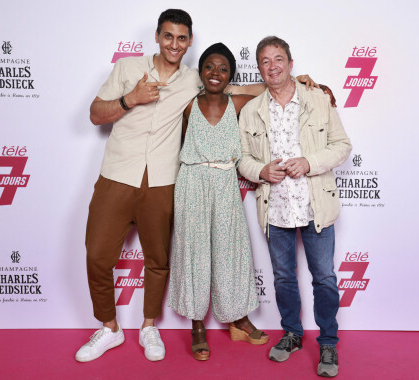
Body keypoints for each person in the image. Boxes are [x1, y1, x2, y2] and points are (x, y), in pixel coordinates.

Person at [77, 9, 318, 363]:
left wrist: (298, 81)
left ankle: (149, 327)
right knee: (99, 255)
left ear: (189, 42)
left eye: (181, 38)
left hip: (165, 181)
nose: (174, 43)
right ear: (158, 36)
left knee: (161, 259)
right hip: (121, 174)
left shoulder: (194, 81)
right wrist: (132, 98)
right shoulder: (129, 69)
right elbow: (96, 113)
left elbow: (240, 89)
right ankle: (110, 328)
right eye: (168, 36)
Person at [238, 36, 352, 377]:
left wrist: (310, 162)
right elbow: (241, 158)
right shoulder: (251, 110)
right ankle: (291, 334)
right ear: (259, 69)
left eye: (278, 59)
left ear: (290, 63)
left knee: (325, 278)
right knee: (284, 278)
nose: (272, 66)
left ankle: (328, 342)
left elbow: (342, 145)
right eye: (265, 61)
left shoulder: (318, 100)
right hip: (276, 209)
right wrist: (260, 171)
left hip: (316, 206)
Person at [167, 43, 269, 361]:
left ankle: (237, 319)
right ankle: (198, 326)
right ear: (201, 71)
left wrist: (308, 81)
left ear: (230, 76)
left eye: (223, 68)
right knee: (194, 253)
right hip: (192, 182)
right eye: (210, 67)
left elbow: (270, 87)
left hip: (225, 182)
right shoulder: (187, 105)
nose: (215, 73)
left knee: (230, 251)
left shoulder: (237, 102)